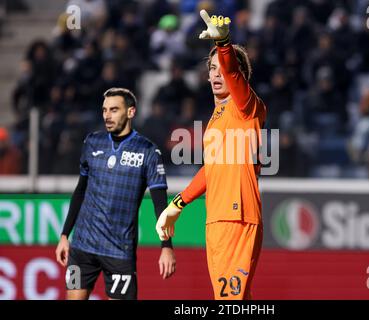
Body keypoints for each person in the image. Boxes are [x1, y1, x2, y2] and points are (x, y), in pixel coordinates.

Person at [156, 10, 267, 300]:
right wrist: (178, 203)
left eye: (223, 69)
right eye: (212, 69)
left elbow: (233, 72)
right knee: (235, 300)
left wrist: (224, 44)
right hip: (216, 217)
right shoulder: (217, 117)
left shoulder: (246, 107)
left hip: (237, 215)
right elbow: (212, 168)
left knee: (230, 302)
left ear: (239, 77)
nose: (218, 74)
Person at [55, 88, 176, 300]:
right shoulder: (92, 142)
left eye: (114, 110)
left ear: (130, 112)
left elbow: (160, 205)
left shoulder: (148, 151)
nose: (107, 116)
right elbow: (80, 190)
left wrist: (166, 246)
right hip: (82, 248)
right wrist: (65, 234)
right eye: (104, 110)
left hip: (119, 251)